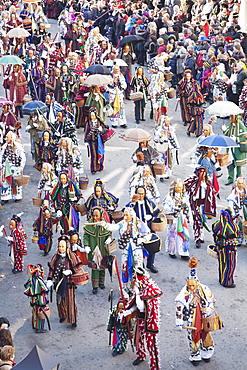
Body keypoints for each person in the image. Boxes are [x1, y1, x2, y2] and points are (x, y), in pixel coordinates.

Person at [175, 257, 215, 366]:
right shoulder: (184, 292)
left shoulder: (204, 289)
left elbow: (211, 301)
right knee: (193, 336)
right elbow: (179, 306)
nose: (192, 288)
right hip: (191, 318)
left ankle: (206, 353)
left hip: (204, 316)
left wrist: (208, 309)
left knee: (206, 335)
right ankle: (195, 356)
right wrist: (179, 320)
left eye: (193, 285)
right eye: (190, 285)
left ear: (197, 282)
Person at [123, 267, 162, 369]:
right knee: (138, 340)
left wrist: (136, 292)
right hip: (140, 319)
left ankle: (155, 366)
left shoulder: (151, 289)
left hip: (149, 322)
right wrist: (129, 311)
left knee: (151, 345)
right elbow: (136, 305)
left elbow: (141, 306)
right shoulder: (140, 286)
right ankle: (141, 355)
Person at [47, 235, 84, 328]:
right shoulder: (55, 257)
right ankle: (62, 315)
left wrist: (71, 271)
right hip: (58, 282)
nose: (61, 248)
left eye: (62, 246)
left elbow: (78, 266)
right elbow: (51, 268)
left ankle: (73, 320)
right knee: (59, 300)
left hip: (68, 283)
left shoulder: (71, 256)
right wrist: (50, 279)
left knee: (70, 301)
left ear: (67, 247)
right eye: (59, 246)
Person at [126, 186, 160, 273]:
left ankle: (150, 264)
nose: (140, 196)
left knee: (152, 246)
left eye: (142, 194)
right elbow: (126, 211)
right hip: (137, 230)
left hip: (149, 229)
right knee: (139, 249)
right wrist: (133, 203)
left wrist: (151, 217)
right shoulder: (132, 203)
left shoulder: (149, 202)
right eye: (139, 194)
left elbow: (157, 211)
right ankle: (142, 266)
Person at [184, 167, 217, 248]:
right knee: (197, 221)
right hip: (195, 204)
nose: (203, 175)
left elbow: (212, 191)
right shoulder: (192, 181)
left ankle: (201, 235)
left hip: (204, 204)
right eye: (201, 173)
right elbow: (185, 187)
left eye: (204, 173)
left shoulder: (207, 182)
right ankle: (198, 238)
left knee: (203, 221)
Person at [83, 206, 112, 294]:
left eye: (97, 216)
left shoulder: (105, 224)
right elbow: (86, 236)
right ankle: (95, 286)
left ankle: (101, 283)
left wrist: (109, 239)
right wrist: (86, 245)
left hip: (103, 249)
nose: (95, 218)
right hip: (93, 250)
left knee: (103, 266)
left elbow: (109, 233)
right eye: (94, 216)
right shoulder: (89, 225)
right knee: (95, 268)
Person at [163, 179, 191, 260]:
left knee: (183, 234)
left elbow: (188, 206)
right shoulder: (169, 197)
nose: (180, 189)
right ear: (174, 187)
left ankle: (184, 252)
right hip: (174, 218)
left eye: (181, 187)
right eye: (178, 187)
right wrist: (174, 209)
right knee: (172, 235)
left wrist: (188, 215)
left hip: (182, 218)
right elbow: (165, 207)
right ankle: (172, 251)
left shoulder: (185, 196)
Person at [212, 209, 239, 288]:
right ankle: (228, 282)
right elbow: (235, 233)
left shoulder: (217, 224)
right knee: (230, 265)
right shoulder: (230, 226)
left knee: (222, 263)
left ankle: (222, 279)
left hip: (220, 248)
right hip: (229, 248)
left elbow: (215, 232)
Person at [84, 107, 115, 174]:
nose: (92, 117)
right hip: (92, 141)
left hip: (99, 141)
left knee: (100, 153)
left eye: (93, 115)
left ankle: (100, 166)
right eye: (91, 115)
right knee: (93, 155)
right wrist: (86, 141)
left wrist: (102, 130)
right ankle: (93, 169)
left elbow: (106, 129)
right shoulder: (88, 123)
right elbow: (86, 132)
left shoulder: (100, 122)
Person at [50, 170, 80, 234]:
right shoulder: (58, 186)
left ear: (67, 178)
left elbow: (78, 194)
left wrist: (75, 199)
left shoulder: (71, 185)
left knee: (73, 224)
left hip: (71, 209)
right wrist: (57, 209)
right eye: (61, 179)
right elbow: (53, 197)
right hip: (62, 210)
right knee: (63, 226)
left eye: (64, 178)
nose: (63, 180)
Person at [0, 132, 26, 204]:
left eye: (7, 137)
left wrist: (21, 167)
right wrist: (1, 164)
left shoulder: (18, 147)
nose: (5, 139)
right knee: (5, 182)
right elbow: (1, 155)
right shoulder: (4, 146)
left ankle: (17, 196)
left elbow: (22, 157)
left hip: (15, 167)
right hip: (6, 166)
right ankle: (5, 197)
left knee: (16, 182)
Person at [24, 264, 50, 333]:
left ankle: (35, 325)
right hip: (39, 301)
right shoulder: (38, 280)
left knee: (35, 313)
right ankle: (39, 328)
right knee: (40, 315)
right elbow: (43, 290)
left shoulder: (30, 279)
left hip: (33, 301)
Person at [223, 114, 247, 186]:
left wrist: (236, 139)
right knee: (230, 164)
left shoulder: (241, 126)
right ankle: (230, 179)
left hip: (238, 149)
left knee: (238, 164)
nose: (230, 118)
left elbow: (245, 137)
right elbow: (226, 134)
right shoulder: (230, 125)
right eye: (230, 117)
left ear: (235, 117)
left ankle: (238, 179)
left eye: (232, 117)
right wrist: (224, 130)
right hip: (230, 148)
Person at [226, 176, 247, 244]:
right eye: (239, 183)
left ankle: (245, 239)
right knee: (238, 225)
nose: (241, 185)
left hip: (244, 210)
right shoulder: (234, 192)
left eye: (242, 183)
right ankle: (238, 239)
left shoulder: (245, 190)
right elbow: (231, 203)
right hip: (237, 211)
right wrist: (234, 214)